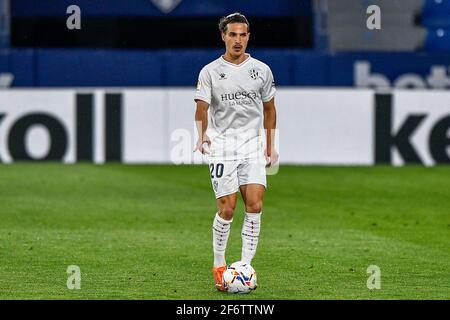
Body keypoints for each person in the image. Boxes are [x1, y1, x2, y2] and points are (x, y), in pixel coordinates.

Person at [193, 12, 278, 292]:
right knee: (227, 208)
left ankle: (245, 266)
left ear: (248, 37)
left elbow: (269, 109)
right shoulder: (209, 72)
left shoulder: (262, 70)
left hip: (252, 147)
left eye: (243, 34)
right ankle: (220, 264)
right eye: (233, 34)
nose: (238, 40)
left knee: (254, 204)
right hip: (222, 147)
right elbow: (202, 108)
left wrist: (270, 144)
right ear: (223, 36)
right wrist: (201, 135)